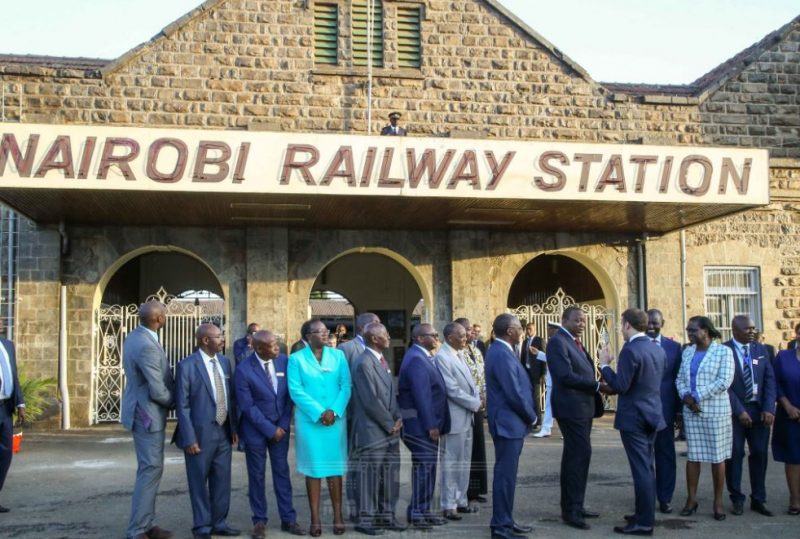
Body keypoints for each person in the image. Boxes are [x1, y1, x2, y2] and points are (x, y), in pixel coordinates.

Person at [599, 308, 666, 536]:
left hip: (635, 418)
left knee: (641, 471)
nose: (620, 329)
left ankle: (644, 522)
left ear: (628, 325)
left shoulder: (630, 350)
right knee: (647, 467)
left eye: (621, 324)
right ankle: (642, 513)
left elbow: (620, 386)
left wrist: (604, 365)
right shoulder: (657, 348)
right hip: (653, 414)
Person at [234, 330, 304, 538]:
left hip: (280, 430)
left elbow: (289, 395)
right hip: (256, 430)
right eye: (272, 345)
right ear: (258, 349)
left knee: (282, 473)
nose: (277, 347)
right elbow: (247, 406)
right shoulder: (244, 369)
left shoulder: (284, 361)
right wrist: (269, 429)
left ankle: (288, 519)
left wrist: (282, 425)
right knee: (256, 476)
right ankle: (259, 520)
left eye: (277, 344)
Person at [174, 323, 240, 539]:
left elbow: (230, 397)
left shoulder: (224, 362)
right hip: (199, 435)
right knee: (198, 482)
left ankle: (219, 523)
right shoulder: (187, 366)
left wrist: (234, 428)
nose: (222, 340)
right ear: (204, 340)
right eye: (218, 337)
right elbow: (182, 406)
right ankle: (202, 527)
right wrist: (189, 437)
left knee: (222, 480)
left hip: (223, 432)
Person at [288, 320, 351, 537]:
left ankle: (338, 516)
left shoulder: (338, 356)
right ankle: (315, 519)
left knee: (334, 470)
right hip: (311, 422)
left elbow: (346, 386)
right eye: (319, 332)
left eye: (326, 331)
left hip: (335, 421)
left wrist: (333, 411)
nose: (325, 335)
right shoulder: (296, 359)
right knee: (313, 470)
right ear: (308, 335)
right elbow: (296, 390)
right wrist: (319, 412)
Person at [121, 300, 175, 539]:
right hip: (147, 415)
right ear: (158, 319)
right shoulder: (147, 345)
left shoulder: (135, 336)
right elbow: (157, 390)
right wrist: (178, 403)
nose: (165, 317)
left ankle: (147, 523)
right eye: (164, 314)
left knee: (150, 469)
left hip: (139, 409)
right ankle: (137, 530)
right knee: (150, 469)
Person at [547, 306, 602, 530]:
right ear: (564, 320)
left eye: (584, 321)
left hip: (584, 408)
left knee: (579, 456)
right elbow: (565, 375)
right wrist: (597, 385)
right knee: (577, 457)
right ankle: (571, 510)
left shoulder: (575, 342)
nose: (581, 324)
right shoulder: (558, 342)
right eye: (577, 320)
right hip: (571, 409)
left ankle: (576, 504)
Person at [675, 316, 734, 521]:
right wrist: (686, 396)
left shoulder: (723, 352)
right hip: (692, 411)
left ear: (706, 331)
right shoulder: (688, 352)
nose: (689, 333)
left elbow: (724, 381)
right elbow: (680, 378)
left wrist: (698, 395)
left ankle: (718, 502)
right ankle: (691, 500)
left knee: (717, 458)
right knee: (694, 456)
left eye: (693, 330)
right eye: (688, 330)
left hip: (715, 412)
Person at [349, 323, 405, 535]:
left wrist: (398, 417)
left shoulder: (381, 360)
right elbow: (370, 400)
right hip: (373, 430)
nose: (389, 337)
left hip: (390, 429)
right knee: (370, 478)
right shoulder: (363, 363)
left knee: (390, 476)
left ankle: (386, 515)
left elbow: (391, 394)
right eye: (385, 334)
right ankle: (366, 519)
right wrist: (390, 424)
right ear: (374, 339)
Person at [485, 314, 536, 539]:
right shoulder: (501, 353)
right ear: (509, 331)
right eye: (518, 327)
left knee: (508, 475)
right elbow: (513, 392)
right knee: (505, 476)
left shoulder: (503, 350)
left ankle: (505, 519)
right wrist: (532, 417)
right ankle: (501, 527)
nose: (521, 331)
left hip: (509, 423)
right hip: (508, 423)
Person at [397, 323, 449, 529]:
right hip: (420, 425)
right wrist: (431, 425)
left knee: (429, 468)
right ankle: (417, 513)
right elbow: (422, 396)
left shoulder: (423, 356)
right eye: (432, 335)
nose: (436, 338)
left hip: (425, 424)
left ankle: (424, 509)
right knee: (424, 468)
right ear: (419, 338)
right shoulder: (416, 360)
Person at [723, 315, 776, 516]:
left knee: (760, 455)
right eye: (748, 329)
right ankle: (736, 498)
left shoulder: (761, 350)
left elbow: (770, 381)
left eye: (754, 328)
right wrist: (739, 411)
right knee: (735, 454)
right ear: (735, 331)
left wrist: (769, 408)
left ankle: (759, 499)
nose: (753, 332)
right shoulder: (723, 350)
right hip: (735, 412)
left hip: (759, 411)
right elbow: (725, 385)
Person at [436, 322, 481, 520]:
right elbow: (451, 389)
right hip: (455, 417)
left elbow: (470, 384)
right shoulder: (443, 357)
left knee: (464, 461)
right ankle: (448, 504)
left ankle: (460, 499)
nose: (466, 339)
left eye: (466, 335)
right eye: (461, 336)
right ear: (450, 337)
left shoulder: (459, 353)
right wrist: (476, 403)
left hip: (467, 416)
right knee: (451, 463)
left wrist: (477, 399)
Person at [338, 312, 380, 522]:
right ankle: (355, 507)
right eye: (376, 324)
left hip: (375, 417)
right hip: (355, 414)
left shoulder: (378, 348)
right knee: (355, 463)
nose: (380, 328)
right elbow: (342, 381)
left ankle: (373, 505)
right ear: (364, 327)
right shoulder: (346, 349)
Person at [645, 309, 683, 514]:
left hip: (666, 412)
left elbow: (678, 381)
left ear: (663, 323)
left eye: (655, 323)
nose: (651, 327)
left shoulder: (675, 348)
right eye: (648, 323)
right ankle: (647, 497)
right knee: (644, 458)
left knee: (665, 456)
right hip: (642, 412)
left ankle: (665, 497)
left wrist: (678, 412)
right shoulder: (634, 345)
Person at [456, 318, 488, 504]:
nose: (471, 332)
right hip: (465, 404)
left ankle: (476, 489)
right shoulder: (457, 353)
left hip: (479, 404)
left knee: (478, 447)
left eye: (471, 329)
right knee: (464, 451)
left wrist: (484, 395)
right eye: (467, 330)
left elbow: (482, 375)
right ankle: (464, 491)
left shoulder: (475, 350)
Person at [771, 342, 800, 514]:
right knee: (793, 458)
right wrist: (787, 406)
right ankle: (795, 500)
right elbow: (774, 383)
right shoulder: (783, 357)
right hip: (789, 414)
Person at [0, 321, 24, 514]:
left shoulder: (8, 345)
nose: (1, 322)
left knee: (6, 453)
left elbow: (13, 376)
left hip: (5, 407)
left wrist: (20, 403)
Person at [532, 322, 560, 438]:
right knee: (549, 405)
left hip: (560, 380)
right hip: (552, 380)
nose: (547, 330)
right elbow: (551, 359)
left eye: (549, 329)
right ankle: (546, 428)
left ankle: (565, 431)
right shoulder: (553, 341)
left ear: (555, 330)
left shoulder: (559, 341)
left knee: (561, 406)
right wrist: (539, 353)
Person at [521, 323, 545, 429]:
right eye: (527, 329)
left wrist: (543, 373)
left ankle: (538, 421)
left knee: (536, 397)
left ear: (535, 329)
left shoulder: (539, 340)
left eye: (530, 329)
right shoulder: (525, 342)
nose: (528, 331)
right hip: (526, 372)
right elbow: (522, 357)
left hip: (536, 373)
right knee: (528, 396)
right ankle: (531, 419)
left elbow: (543, 358)